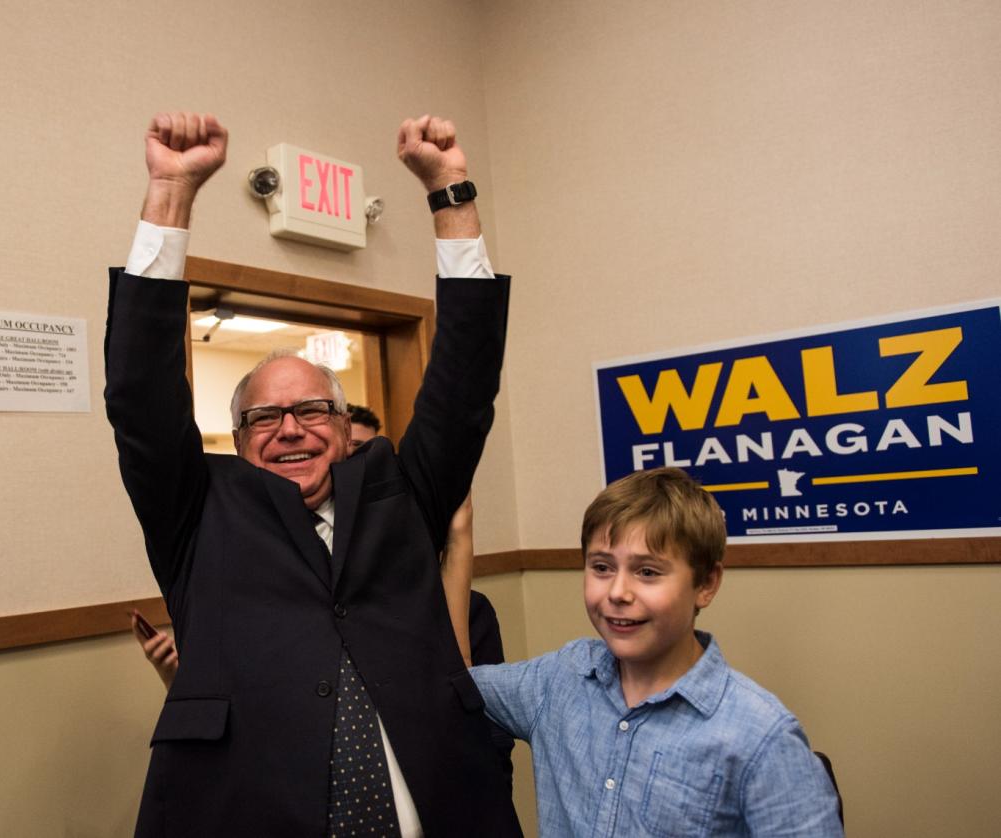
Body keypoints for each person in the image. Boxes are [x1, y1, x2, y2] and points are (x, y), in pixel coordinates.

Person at [104, 111, 521, 836]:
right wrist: (171, 194)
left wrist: (451, 192)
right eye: (265, 418)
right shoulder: (198, 512)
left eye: (311, 411)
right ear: (237, 440)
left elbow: (464, 385)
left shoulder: (398, 494)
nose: (290, 428)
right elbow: (140, 395)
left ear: (343, 425)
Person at [465, 467, 844, 837]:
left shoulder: (761, 737)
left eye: (647, 572)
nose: (618, 592)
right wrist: (457, 538)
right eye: (601, 567)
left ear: (706, 584)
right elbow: (452, 684)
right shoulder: (558, 680)